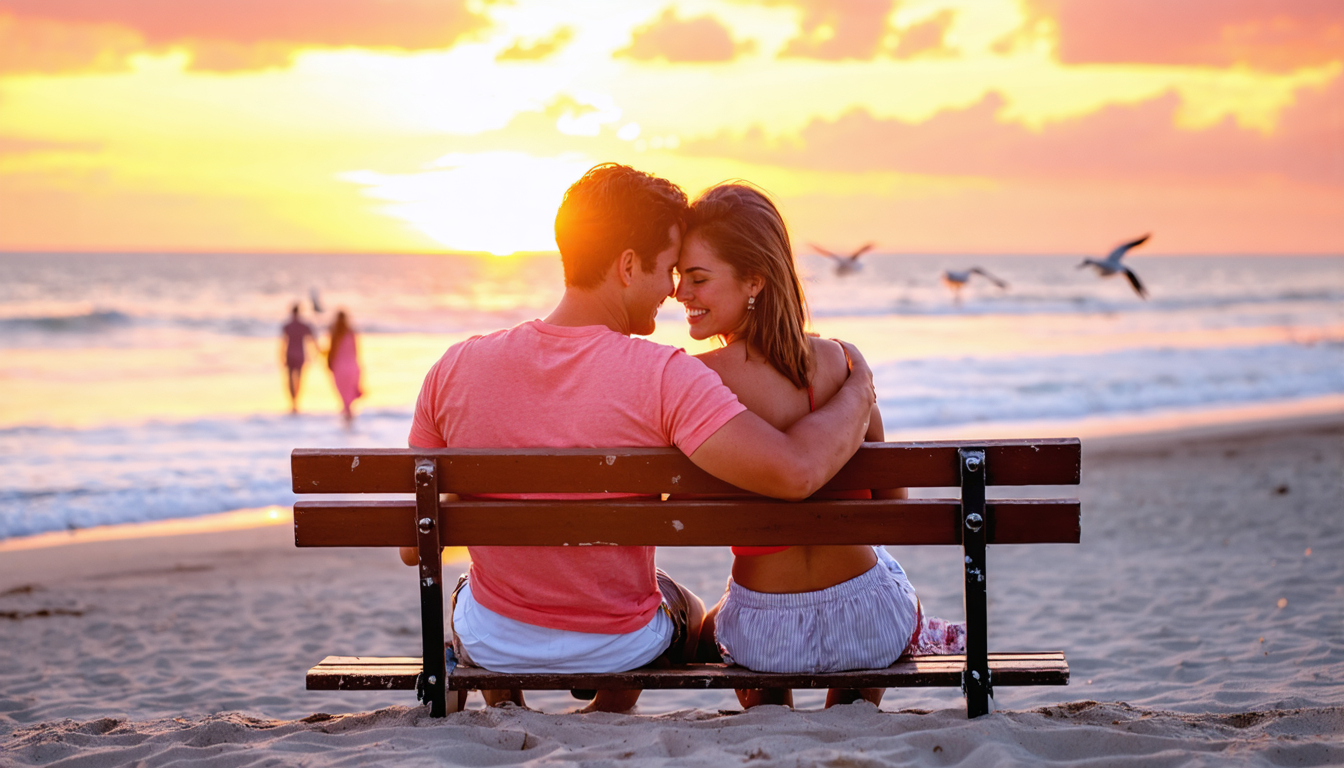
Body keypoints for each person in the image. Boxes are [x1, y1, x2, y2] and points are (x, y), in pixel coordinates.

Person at [401, 163, 877, 714]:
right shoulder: (663, 375)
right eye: (668, 270)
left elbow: (415, 546)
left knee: (471, 588)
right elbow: (793, 472)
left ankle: (505, 699)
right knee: (686, 606)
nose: (672, 292)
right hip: (623, 644)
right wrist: (859, 388)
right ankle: (610, 710)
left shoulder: (453, 367)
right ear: (628, 266)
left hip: (495, 638)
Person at [675, 183, 965, 710]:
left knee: (729, 615)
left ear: (754, 280)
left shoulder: (695, 382)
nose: (680, 294)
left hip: (763, 634)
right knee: (889, 581)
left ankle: (769, 706)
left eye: (697, 279)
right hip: (869, 626)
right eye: (678, 278)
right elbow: (891, 511)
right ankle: (852, 704)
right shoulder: (843, 366)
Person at [327, 310, 363, 424]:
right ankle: (349, 416)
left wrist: (329, 362)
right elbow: (356, 350)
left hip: (340, 366)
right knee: (349, 391)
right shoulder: (351, 332)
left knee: (343, 392)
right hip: (352, 365)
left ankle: (348, 416)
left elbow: (332, 350)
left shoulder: (336, 333)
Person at [281, 303, 316, 414]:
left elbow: (283, 343)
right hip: (300, 355)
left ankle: (294, 402)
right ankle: (296, 402)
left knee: (291, 380)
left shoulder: (287, 326)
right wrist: (318, 351)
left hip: (290, 354)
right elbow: (312, 339)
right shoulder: (303, 325)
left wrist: (281, 356)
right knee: (299, 380)